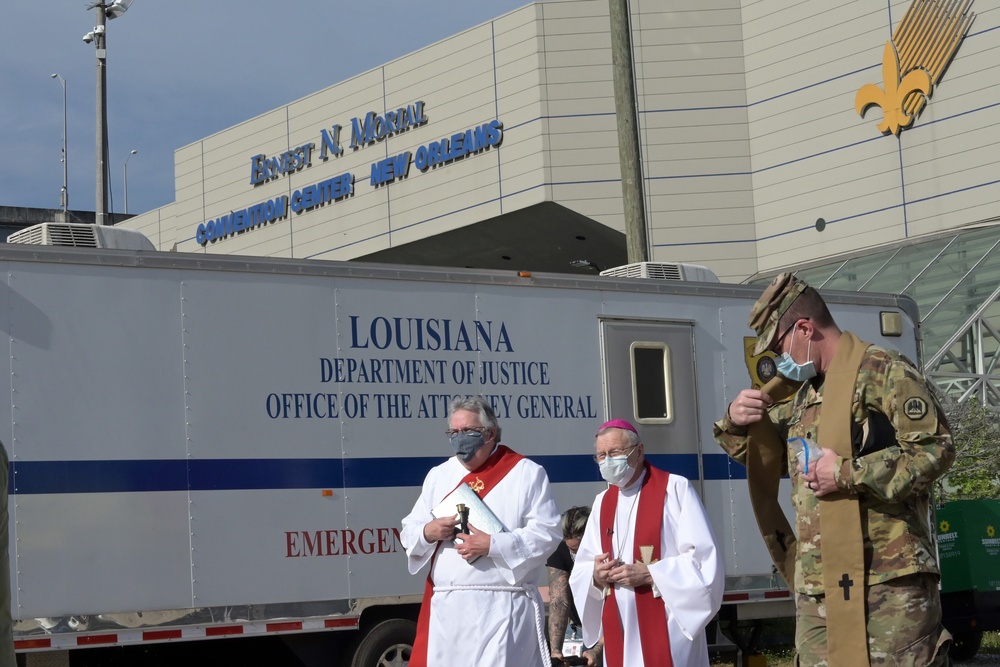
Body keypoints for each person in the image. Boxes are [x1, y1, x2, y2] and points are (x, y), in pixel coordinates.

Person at [713, 272, 955, 666]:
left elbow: (934, 450)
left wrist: (846, 473)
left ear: (805, 329)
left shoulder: (884, 371)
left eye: (780, 345)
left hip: (887, 576)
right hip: (819, 581)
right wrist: (735, 419)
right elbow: (762, 460)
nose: (778, 359)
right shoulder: (803, 396)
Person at [401, 395, 561, 667]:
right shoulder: (438, 476)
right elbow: (409, 530)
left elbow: (547, 532)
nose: (460, 438)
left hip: (500, 609)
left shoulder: (525, 473)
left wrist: (493, 545)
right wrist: (429, 531)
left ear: (490, 433)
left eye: (468, 431)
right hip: (449, 614)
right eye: (454, 432)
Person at [569, 419, 723, 667]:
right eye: (601, 455)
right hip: (619, 625)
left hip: (668, 624)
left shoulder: (675, 489)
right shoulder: (602, 502)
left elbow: (704, 561)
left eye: (615, 453)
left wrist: (652, 573)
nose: (608, 461)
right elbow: (582, 569)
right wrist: (596, 575)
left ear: (639, 450)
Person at [547, 506, 603, 666]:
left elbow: (620, 607)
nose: (577, 556)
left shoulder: (608, 549)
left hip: (615, 629)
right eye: (572, 550)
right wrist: (555, 651)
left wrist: (599, 647)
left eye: (581, 550)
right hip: (581, 629)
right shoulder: (559, 548)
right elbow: (559, 599)